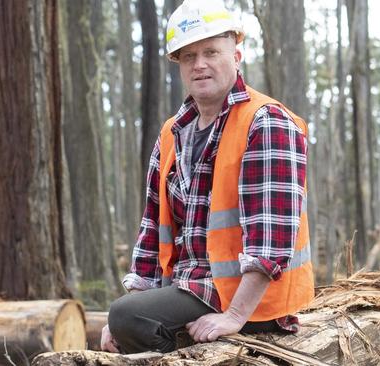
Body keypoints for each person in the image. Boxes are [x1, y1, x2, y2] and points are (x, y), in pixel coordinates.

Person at [101, 0, 314, 354]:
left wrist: (233, 316)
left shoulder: (266, 122)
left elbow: (272, 238)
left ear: (236, 56)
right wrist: (125, 321)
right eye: (188, 56)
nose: (199, 64)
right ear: (179, 65)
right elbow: (152, 229)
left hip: (255, 302)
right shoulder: (173, 133)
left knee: (128, 316)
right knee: (125, 316)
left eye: (211, 52)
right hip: (191, 290)